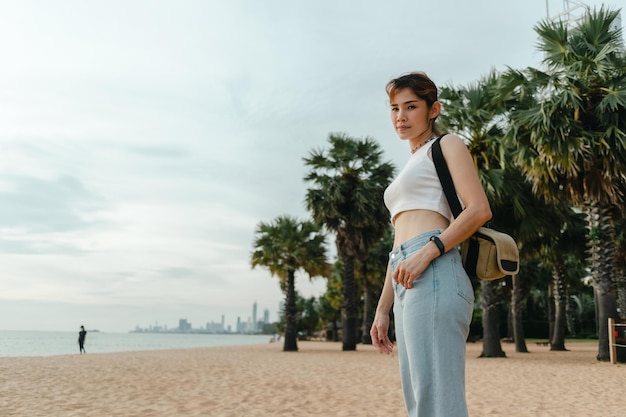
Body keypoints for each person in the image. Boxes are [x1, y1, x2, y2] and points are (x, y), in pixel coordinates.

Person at [370, 72, 492, 417]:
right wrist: (382, 310)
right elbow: (398, 247)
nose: (401, 117)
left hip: (435, 267)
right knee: (421, 399)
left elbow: (479, 209)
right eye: (394, 109)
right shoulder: (410, 163)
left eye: (411, 107)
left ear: (433, 109)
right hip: (406, 272)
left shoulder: (447, 144)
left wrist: (428, 252)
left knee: (437, 398)